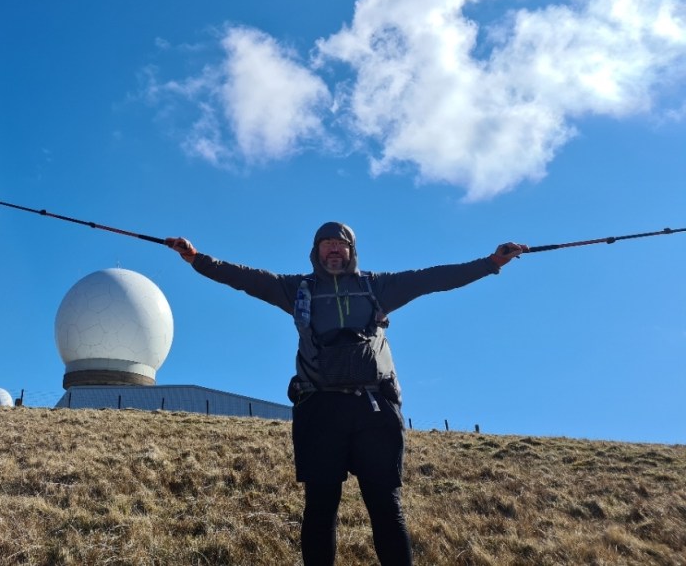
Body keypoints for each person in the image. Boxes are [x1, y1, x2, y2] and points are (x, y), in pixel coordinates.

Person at [166, 223, 526, 566]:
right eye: (327, 244)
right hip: (320, 408)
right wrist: (197, 258)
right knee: (321, 506)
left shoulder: (378, 286)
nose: (334, 249)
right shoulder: (297, 289)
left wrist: (491, 263)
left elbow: (433, 279)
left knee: (386, 505)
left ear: (352, 250)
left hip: (374, 409)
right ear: (316, 251)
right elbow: (247, 278)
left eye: (341, 244)